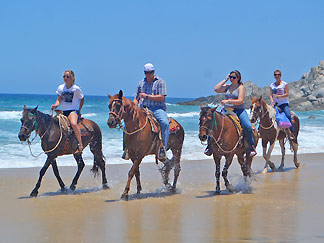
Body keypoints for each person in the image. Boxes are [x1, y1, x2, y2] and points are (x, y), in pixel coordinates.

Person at [122, 63, 169, 160]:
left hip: (157, 108)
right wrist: (133, 106)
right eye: (146, 73)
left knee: (164, 123)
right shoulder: (141, 83)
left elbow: (162, 97)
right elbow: (136, 98)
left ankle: (162, 148)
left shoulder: (160, 82)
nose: (148, 75)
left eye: (150, 72)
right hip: (143, 108)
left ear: (154, 72)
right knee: (125, 125)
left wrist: (146, 96)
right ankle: (126, 149)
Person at [204, 70, 256, 157]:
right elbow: (216, 89)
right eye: (231, 77)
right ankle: (209, 146)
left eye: (233, 77)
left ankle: (250, 147)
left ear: (238, 78)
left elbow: (240, 101)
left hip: (238, 110)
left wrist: (228, 100)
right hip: (226, 110)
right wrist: (225, 79)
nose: (232, 79)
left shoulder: (241, 87)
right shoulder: (228, 87)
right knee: (212, 123)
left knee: (248, 126)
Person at [51, 70, 84, 153]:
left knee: (73, 124)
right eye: (64, 76)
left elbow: (82, 99)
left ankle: (80, 144)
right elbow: (58, 100)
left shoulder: (76, 89)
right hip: (63, 111)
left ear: (72, 78)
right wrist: (55, 105)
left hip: (72, 111)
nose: (65, 78)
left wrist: (79, 110)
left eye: (67, 76)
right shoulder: (60, 88)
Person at [270, 69, 294, 135]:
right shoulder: (272, 85)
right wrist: (272, 102)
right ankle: (261, 130)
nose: (277, 76)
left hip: (283, 104)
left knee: (288, 115)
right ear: (274, 76)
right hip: (275, 104)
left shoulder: (284, 84)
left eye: (278, 74)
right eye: (275, 75)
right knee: (267, 114)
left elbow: (287, 94)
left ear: (280, 76)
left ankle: (291, 131)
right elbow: (270, 95)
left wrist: (279, 96)